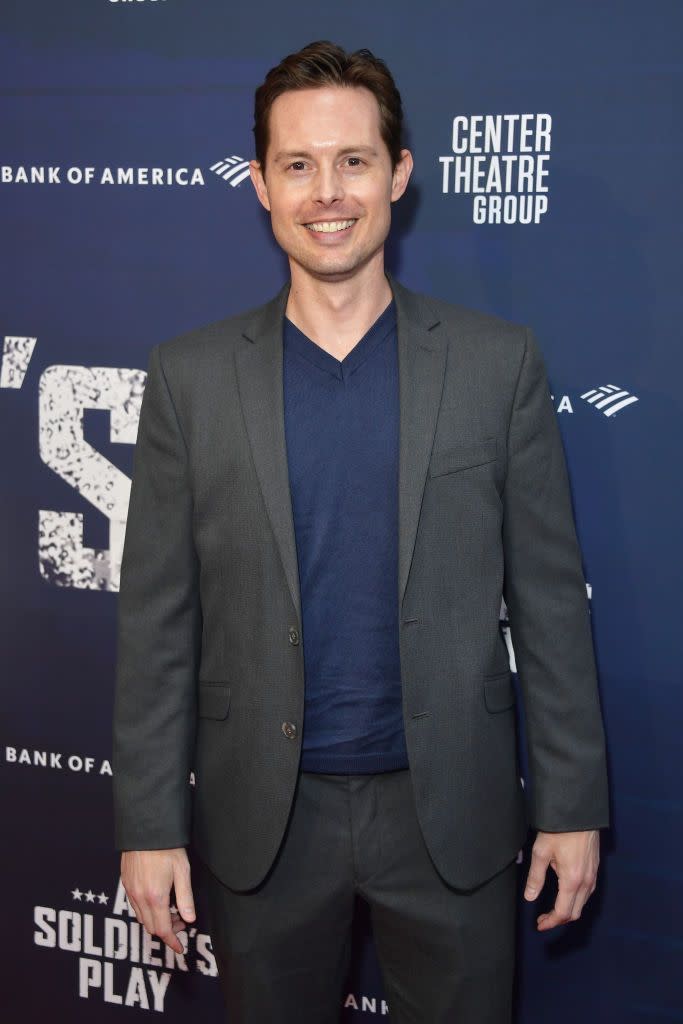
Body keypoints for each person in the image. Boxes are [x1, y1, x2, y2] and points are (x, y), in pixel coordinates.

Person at [112, 40, 610, 1023]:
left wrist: (569, 802)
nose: (324, 192)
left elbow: (548, 603)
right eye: (296, 165)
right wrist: (148, 823)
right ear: (258, 184)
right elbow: (156, 626)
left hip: (452, 820)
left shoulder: (493, 365)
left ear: (398, 175)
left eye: (350, 161)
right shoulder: (189, 378)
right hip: (265, 823)